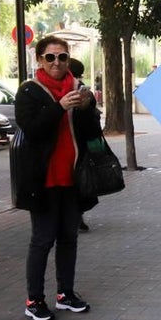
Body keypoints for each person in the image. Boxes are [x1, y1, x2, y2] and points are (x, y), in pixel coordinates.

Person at [12, 35, 100, 320]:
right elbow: (32, 129)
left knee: (68, 238)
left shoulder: (78, 88)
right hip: (43, 180)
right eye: (50, 57)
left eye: (62, 57)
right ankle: (34, 299)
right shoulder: (29, 91)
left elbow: (91, 132)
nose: (57, 63)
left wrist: (87, 107)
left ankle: (65, 294)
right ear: (40, 60)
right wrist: (60, 106)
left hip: (73, 178)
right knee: (42, 240)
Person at [68, 57, 103, 233]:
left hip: (77, 145)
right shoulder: (84, 90)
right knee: (80, 181)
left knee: (76, 181)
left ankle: (75, 215)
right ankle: (77, 214)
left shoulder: (78, 91)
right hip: (83, 145)